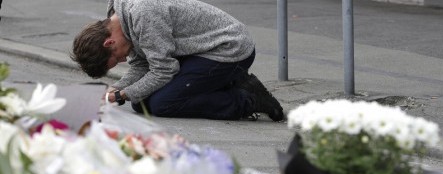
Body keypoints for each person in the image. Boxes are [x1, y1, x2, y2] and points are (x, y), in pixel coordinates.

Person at [71, 0, 284, 121]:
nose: (124, 59)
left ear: (109, 43)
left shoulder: (143, 15)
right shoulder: (118, 21)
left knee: (163, 103)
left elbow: (163, 70)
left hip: (229, 49)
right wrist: (116, 89)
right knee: (141, 103)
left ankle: (247, 100)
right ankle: (231, 82)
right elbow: (142, 64)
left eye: (117, 59)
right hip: (198, 51)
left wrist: (121, 94)